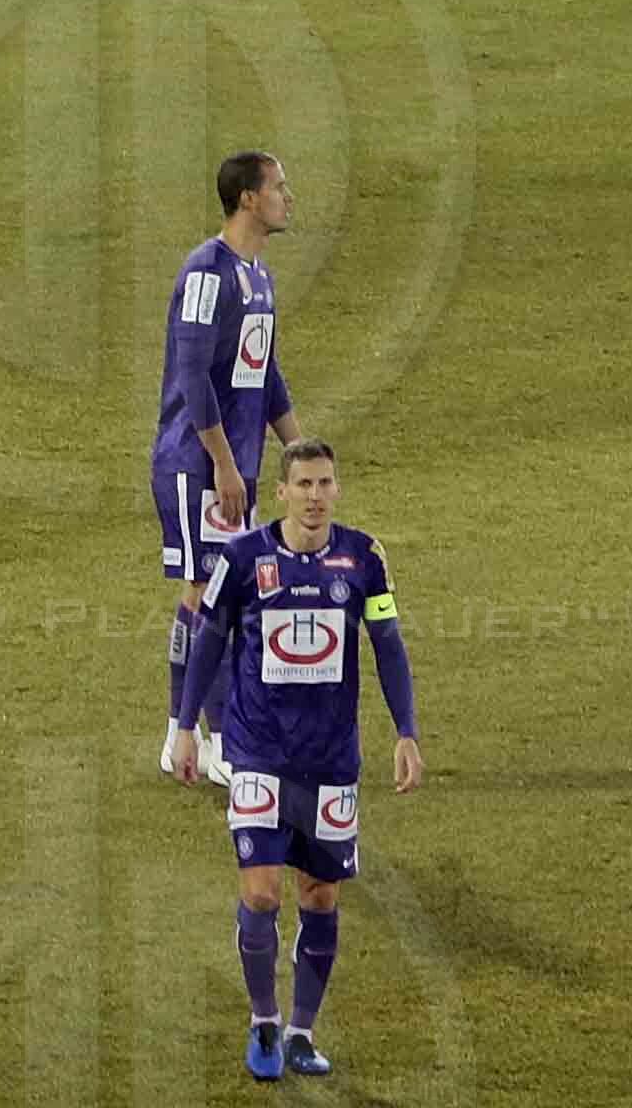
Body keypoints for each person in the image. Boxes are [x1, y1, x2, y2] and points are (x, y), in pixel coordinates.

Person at [164, 433, 419, 1081]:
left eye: (325, 483)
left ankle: (303, 1032)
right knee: (261, 892)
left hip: (331, 760)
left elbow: (387, 643)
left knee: (320, 897)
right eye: (303, 485)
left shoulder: (364, 559)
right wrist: (186, 724)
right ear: (281, 492)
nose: (314, 496)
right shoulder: (246, 557)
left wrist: (406, 732)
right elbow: (210, 637)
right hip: (256, 752)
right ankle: (264, 1022)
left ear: (336, 489)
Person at [154, 149, 293, 582]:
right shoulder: (207, 273)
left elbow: (263, 372)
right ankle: (186, 657)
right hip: (200, 463)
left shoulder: (259, 277)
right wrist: (223, 465)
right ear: (249, 199)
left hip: (236, 464)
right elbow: (192, 375)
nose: (288, 198)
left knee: (225, 598)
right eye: (278, 187)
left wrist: (299, 450)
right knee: (206, 596)